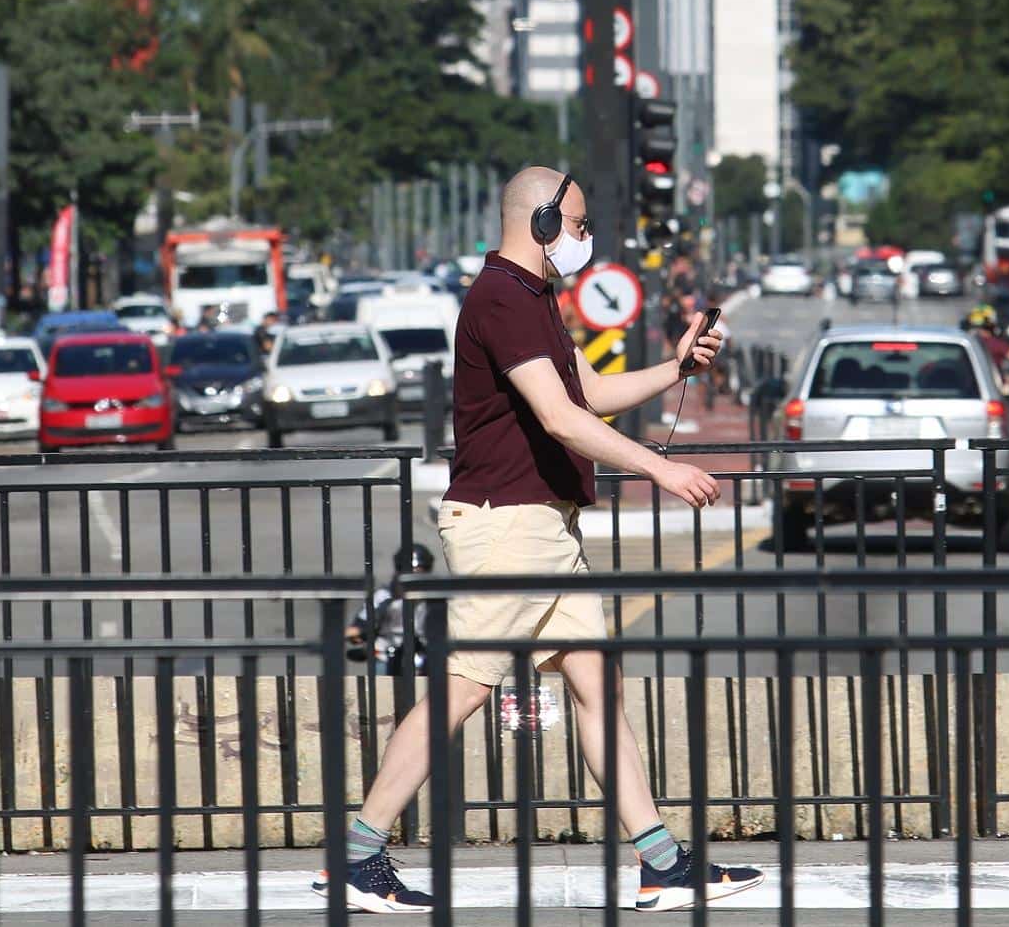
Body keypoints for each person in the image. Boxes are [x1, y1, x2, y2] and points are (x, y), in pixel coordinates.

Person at [314, 166, 760, 914]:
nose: (587, 241)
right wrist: (660, 467)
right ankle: (358, 857)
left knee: (596, 686)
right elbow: (559, 419)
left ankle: (662, 864)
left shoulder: (532, 299)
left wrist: (677, 366)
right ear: (544, 224)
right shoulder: (500, 300)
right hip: (509, 528)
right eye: (581, 226)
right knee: (458, 693)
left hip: (544, 525)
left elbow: (589, 394)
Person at [346, 544, 436, 675]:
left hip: (423, 653)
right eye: (410, 572)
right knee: (381, 681)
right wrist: (357, 634)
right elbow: (359, 626)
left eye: (420, 572)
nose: (415, 579)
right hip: (387, 653)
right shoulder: (383, 597)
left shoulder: (435, 599)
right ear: (398, 571)